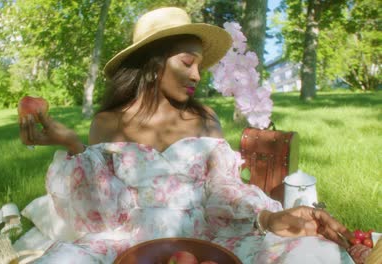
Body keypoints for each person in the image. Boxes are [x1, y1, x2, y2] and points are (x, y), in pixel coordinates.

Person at [18, 7, 355, 263]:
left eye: (199, 66)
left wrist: (268, 217)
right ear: (153, 64)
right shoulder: (109, 122)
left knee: (313, 252)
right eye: (186, 62)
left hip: (208, 236)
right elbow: (105, 213)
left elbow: (223, 188)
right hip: (129, 242)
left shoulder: (204, 118)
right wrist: (73, 146)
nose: (197, 74)